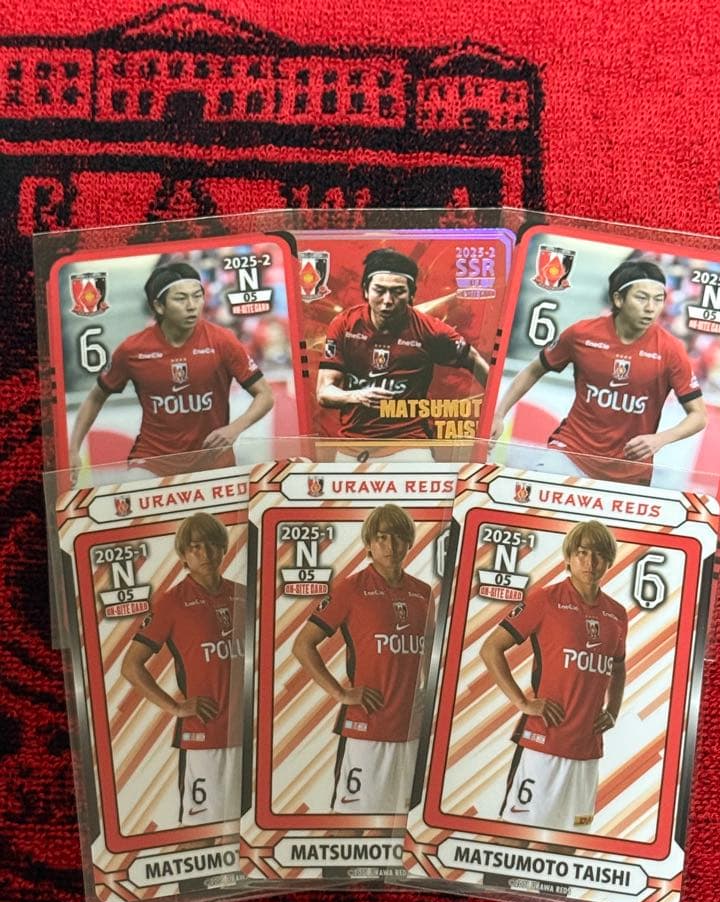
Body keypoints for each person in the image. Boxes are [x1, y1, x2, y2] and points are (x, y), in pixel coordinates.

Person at [491, 260, 707, 484]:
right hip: (571, 453)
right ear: (618, 299)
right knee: (535, 497)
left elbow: (699, 415)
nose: (651, 308)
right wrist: (498, 415)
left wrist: (660, 439)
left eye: (658, 299)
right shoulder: (582, 334)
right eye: (642, 298)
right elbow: (533, 370)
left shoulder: (671, 350)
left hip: (629, 471)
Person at [480, 520, 627, 833]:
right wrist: (523, 703)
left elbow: (617, 666)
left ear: (609, 561)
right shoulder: (545, 600)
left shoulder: (617, 614)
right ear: (569, 557)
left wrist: (613, 710)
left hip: (587, 751)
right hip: (543, 744)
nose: (590, 562)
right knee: (518, 835)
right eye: (582, 553)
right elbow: (491, 648)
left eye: (599, 554)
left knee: (571, 839)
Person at [69, 261, 274, 476]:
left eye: (197, 296)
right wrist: (74, 449)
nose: (192, 305)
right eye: (181, 298)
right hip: (153, 462)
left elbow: (265, 395)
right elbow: (95, 398)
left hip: (213, 461)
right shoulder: (132, 350)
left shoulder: (222, 341)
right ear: (159, 306)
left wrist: (234, 429)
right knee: (133, 489)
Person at [292, 504, 432, 815]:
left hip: (411, 729)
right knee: (354, 822)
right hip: (367, 727)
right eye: (381, 537)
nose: (390, 545)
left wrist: (427, 692)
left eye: (398, 537)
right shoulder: (350, 589)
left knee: (402, 822)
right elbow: (302, 645)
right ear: (369, 543)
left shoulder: (423, 593)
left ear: (409, 542)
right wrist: (340, 693)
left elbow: (427, 653)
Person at [121, 512, 243, 825]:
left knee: (247, 832)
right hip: (205, 736)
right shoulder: (171, 603)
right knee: (204, 830)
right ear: (184, 555)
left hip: (249, 734)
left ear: (223, 547)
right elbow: (131, 665)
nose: (205, 553)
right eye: (195, 547)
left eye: (212, 544)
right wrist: (175, 707)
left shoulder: (244, 595)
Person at [316, 248, 490, 457]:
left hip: (408, 444)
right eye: (379, 290)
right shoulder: (344, 325)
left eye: (398, 292)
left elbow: (476, 361)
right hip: (352, 445)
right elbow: (324, 392)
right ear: (366, 291)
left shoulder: (430, 330)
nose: (387, 300)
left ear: (412, 294)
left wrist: (495, 415)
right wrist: (356, 396)